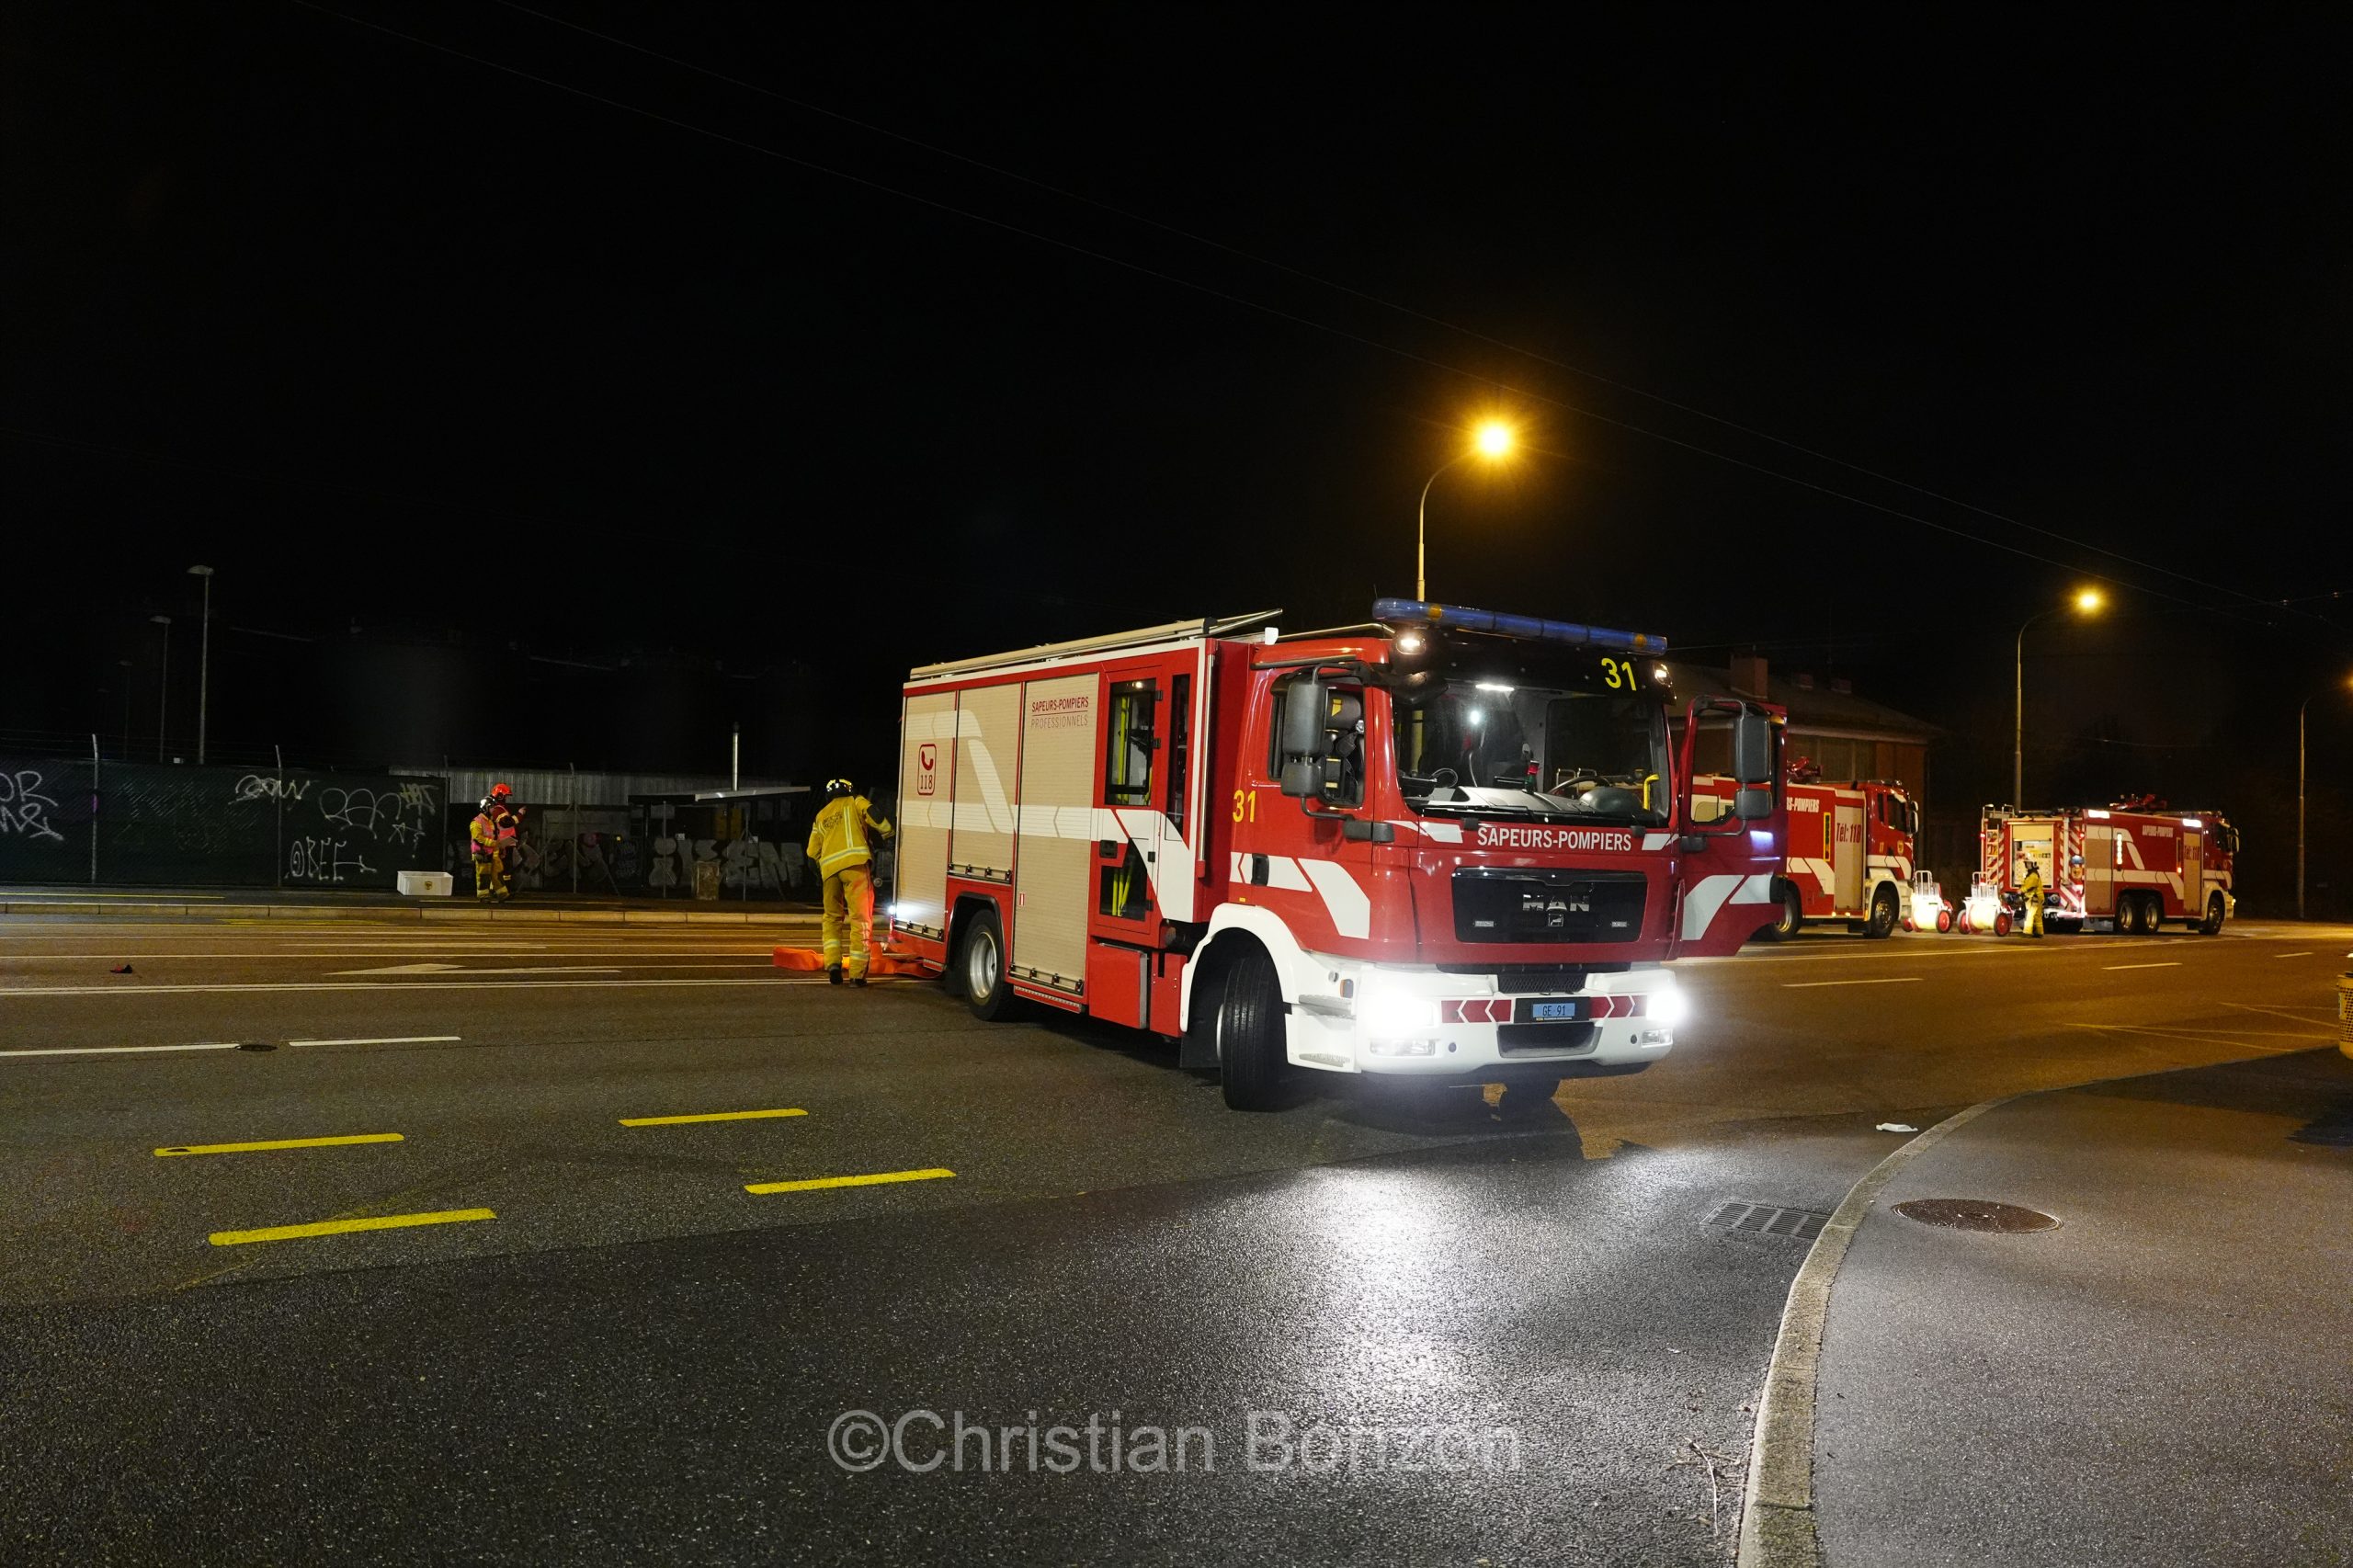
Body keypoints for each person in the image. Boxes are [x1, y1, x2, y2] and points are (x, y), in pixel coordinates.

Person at [807, 778, 893, 984]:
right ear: (849, 790)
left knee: (831, 918)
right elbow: (874, 814)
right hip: (855, 866)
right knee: (860, 919)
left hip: (829, 871)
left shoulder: (821, 815)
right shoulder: (855, 801)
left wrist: (820, 872)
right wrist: (889, 834)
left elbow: (811, 853)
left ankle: (833, 965)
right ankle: (856, 974)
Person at [470, 782, 516, 902]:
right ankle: (484, 896)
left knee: (498, 874)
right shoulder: (477, 822)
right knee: (483, 876)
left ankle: (502, 894)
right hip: (482, 853)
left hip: (493, 852)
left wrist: (500, 847)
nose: (493, 810)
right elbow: (478, 838)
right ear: (485, 808)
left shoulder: (491, 822)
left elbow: (496, 836)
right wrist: (493, 844)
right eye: (491, 808)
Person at [2019, 854, 2045, 938]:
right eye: (2026, 863)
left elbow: (2029, 886)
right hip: (2037, 898)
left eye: (2029, 863)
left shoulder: (2033, 875)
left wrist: (2020, 890)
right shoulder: (2032, 874)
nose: (2027, 865)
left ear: (2033, 864)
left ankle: (2027, 932)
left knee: (2030, 915)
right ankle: (2039, 932)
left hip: (2034, 898)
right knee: (2037, 916)